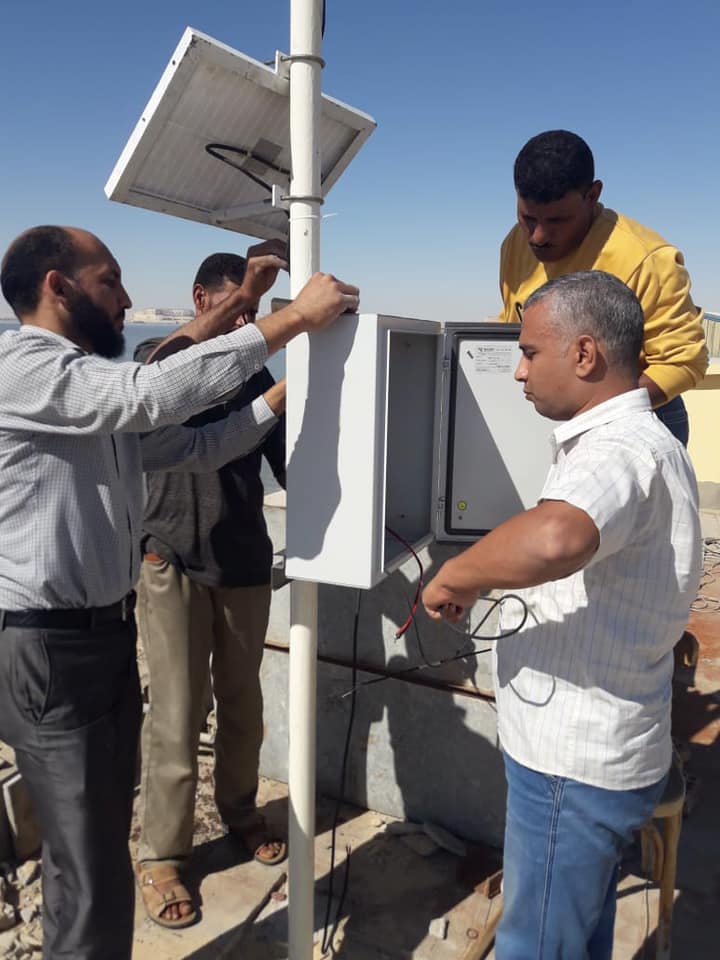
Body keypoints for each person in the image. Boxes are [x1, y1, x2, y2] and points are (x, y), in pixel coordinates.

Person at [0, 225, 359, 960]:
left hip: (99, 635)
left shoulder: (84, 389)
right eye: (110, 279)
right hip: (48, 646)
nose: (127, 297)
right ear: (57, 287)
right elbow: (152, 389)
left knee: (94, 841)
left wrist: (281, 391)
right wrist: (291, 319)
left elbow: (197, 445)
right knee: (90, 864)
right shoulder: (25, 368)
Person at [423, 271, 702, 959]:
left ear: (584, 354)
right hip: (601, 753)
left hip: (570, 766)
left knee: (539, 944)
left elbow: (555, 538)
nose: (519, 371)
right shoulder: (645, 442)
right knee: (576, 933)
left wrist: (455, 575)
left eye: (528, 352)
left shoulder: (616, 449)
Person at [133, 247, 288, 928]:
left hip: (244, 562)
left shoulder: (257, 377)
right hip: (170, 558)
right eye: (237, 310)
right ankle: (162, 855)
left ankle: (240, 812)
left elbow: (292, 464)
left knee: (243, 706)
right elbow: (156, 383)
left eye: (254, 318)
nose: (247, 329)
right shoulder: (160, 362)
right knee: (175, 712)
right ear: (203, 301)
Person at [499, 129, 708, 445]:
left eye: (557, 221)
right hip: (556, 413)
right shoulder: (514, 245)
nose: (537, 236)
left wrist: (597, 413)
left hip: (643, 417)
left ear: (592, 195)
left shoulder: (646, 258)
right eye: (528, 218)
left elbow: (683, 361)